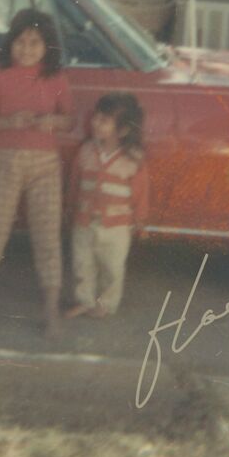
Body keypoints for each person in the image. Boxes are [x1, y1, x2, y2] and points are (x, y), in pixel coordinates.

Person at [0, 8, 74, 340]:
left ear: (47, 46)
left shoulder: (56, 78)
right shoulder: (0, 76)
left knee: (47, 237)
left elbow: (69, 119)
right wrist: (10, 122)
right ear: (10, 43)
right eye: (21, 42)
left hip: (45, 166)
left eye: (35, 42)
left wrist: (51, 121)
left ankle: (51, 311)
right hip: (5, 161)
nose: (27, 49)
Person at [65, 93, 150, 319]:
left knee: (112, 267)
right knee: (82, 263)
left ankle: (105, 303)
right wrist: (70, 207)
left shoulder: (133, 158)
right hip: (84, 221)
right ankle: (84, 300)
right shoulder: (86, 151)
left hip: (116, 226)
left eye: (104, 120)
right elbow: (74, 182)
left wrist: (140, 220)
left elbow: (141, 192)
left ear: (122, 130)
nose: (95, 123)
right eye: (96, 117)